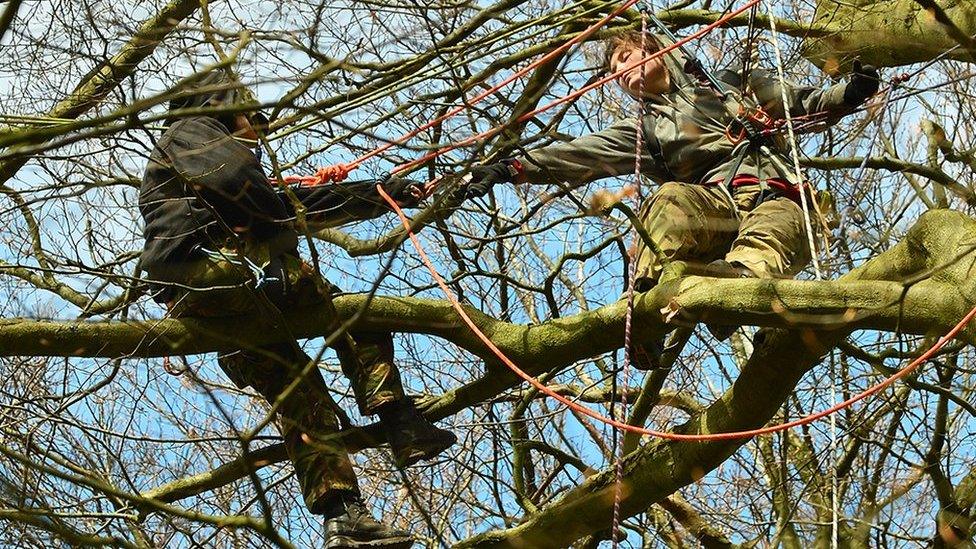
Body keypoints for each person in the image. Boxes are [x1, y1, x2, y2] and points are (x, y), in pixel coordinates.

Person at [139, 71, 456, 548]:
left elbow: (295, 203)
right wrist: (272, 205)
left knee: (296, 389)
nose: (257, 131)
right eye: (249, 118)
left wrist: (382, 194)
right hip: (217, 269)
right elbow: (249, 189)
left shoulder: (221, 163)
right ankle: (398, 419)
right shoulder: (193, 131)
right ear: (224, 107)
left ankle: (343, 517)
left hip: (208, 298)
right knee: (357, 315)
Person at [456, 30, 879, 344]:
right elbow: (578, 154)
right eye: (614, 71)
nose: (620, 72)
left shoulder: (732, 83)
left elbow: (801, 102)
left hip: (779, 192)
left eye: (625, 56)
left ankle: (733, 290)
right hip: (714, 205)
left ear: (654, 46)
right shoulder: (644, 131)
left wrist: (850, 92)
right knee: (668, 201)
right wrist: (512, 168)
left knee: (778, 228)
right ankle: (646, 308)